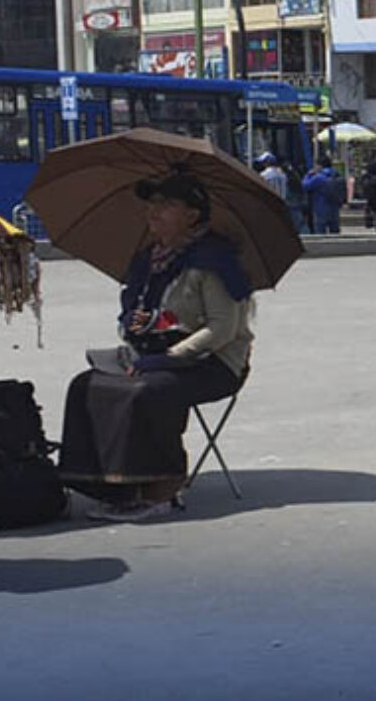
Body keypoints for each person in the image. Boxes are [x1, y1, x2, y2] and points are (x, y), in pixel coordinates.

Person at [59, 171, 253, 521]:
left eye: (166, 204)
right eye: (151, 204)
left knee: (149, 391)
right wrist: (135, 326)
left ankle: (160, 488)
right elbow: (137, 316)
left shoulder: (213, 261)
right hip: (156, 354)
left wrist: (168, 358)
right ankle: (109, 485)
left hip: (213, 363)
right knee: (87, 385)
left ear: (192, 214)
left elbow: (223, 329)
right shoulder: (148, 260)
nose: (153, 211)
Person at [303, 155, 344, 235]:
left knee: (320, 233)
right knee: (335, 233)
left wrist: (308, 175)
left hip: (320, 208)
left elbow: (305, 185)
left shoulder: (319, 178)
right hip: (334, 208)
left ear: (320, 165)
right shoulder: (338, 176)